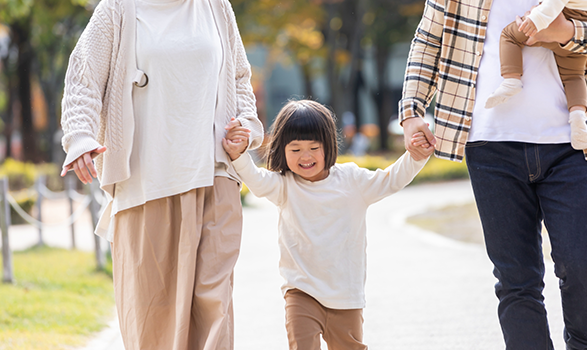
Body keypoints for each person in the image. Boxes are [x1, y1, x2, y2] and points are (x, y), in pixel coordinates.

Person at [59, 0, 264, 349]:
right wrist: (80, 137)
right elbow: (84, 77)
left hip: (215, 177)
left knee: (215, 308)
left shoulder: (215, 7)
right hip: (146, 180)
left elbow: (239, 77)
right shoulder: (117, 9)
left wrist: (244, 124)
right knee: (152, 314)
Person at [400, 0, 587, 348]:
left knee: (583, 267)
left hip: (573, 143)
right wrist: (412, 111)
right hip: (490, 145)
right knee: (516, 282)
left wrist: (567, 32)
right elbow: (428, 39)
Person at [222, 99, 431, 349]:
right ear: (282, 150)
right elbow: (256, 179)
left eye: (313, 147)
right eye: (295, 149)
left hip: (345, 296)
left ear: (328, 145)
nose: (305, 156)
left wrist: (415, 157)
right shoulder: (285, 186)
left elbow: (391, 180)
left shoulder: (352, 181)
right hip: (301, 291)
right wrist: (238, 155)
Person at [485, 1, 587, 150]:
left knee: (509, 35)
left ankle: (511, 80)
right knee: (574, 76)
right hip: (582, 23)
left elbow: (555, 2)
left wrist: (536, 20)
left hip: (555, 19)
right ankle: (578, 116)